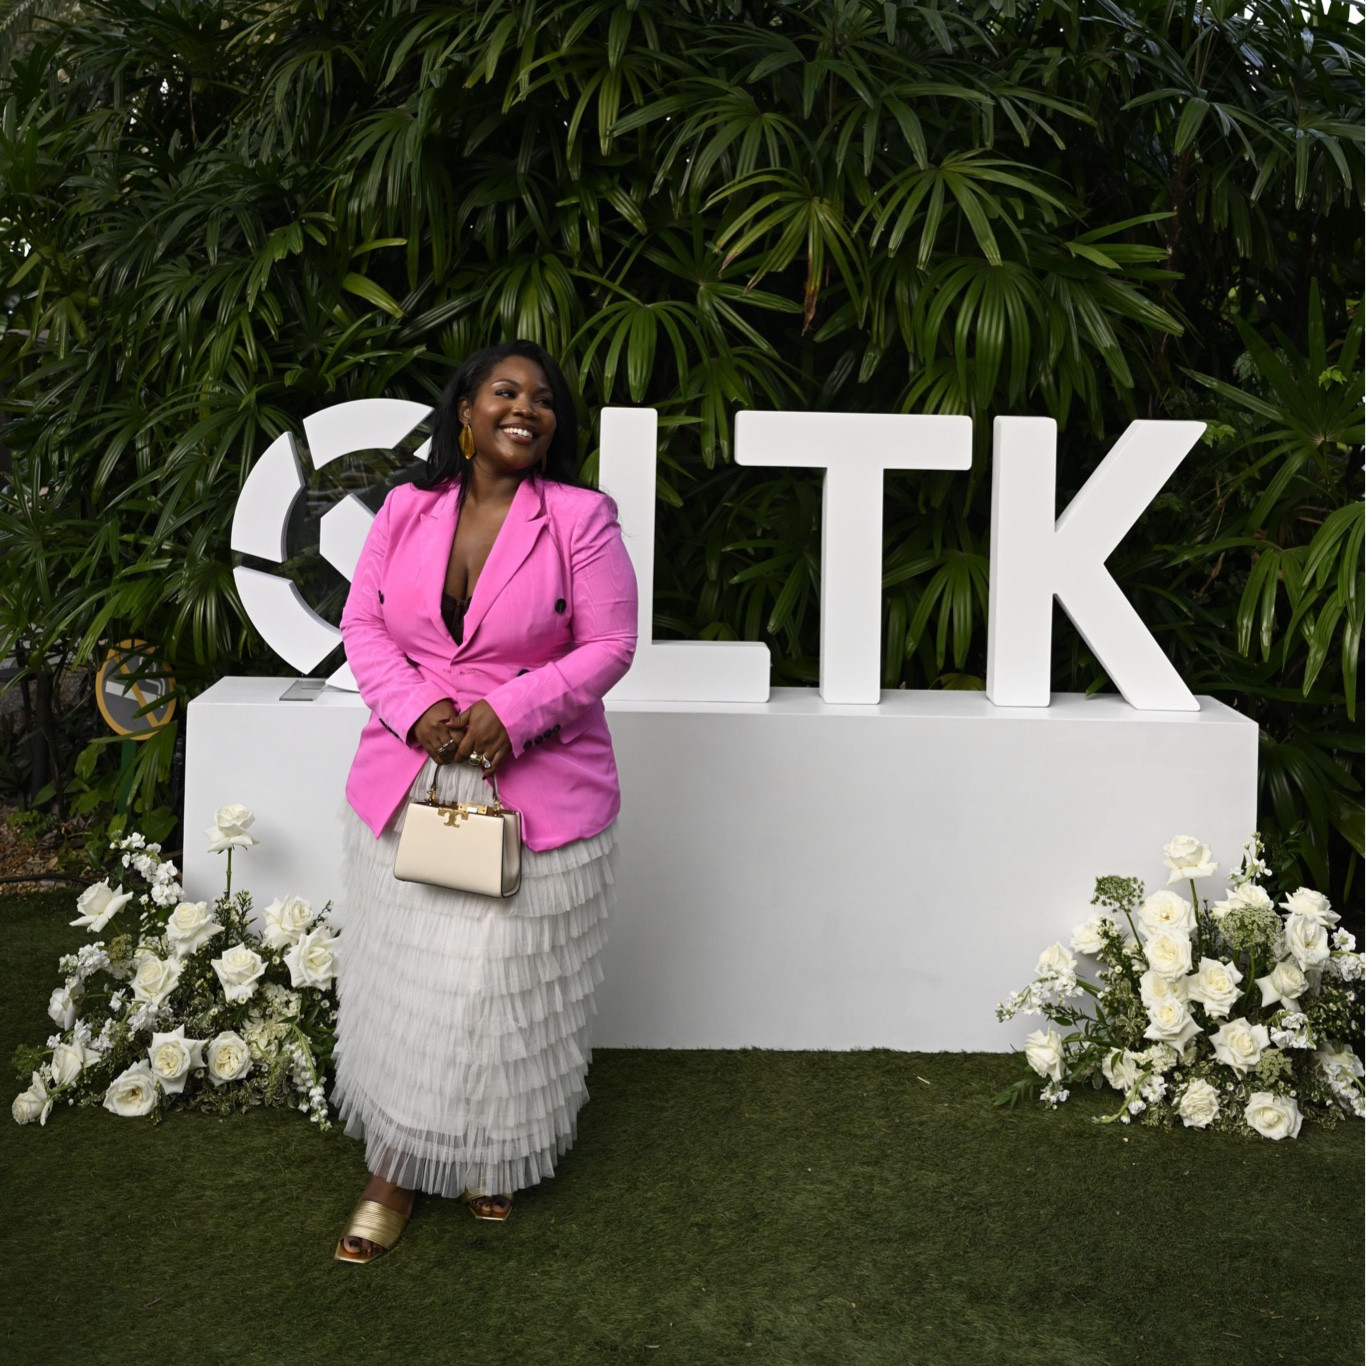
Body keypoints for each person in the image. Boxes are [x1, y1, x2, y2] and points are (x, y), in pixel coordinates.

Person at [330, 340, 637, 1263]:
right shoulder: (405, 507)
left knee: (490, 989)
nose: (526, 408)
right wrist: (418, 708)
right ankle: (393, 1167)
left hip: (536, 793)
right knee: (410, 986)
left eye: (544, 399)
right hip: (407, 780)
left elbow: (611, 643)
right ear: (463, 412)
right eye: (505, 391)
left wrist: (513, 709)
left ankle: (488, 1152)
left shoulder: (581, 517)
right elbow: (363, 623)